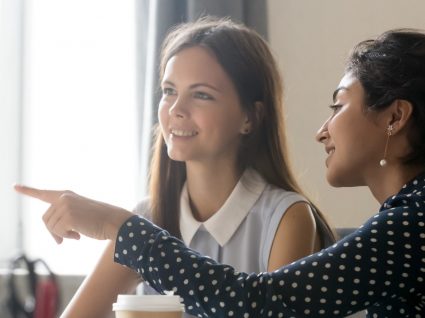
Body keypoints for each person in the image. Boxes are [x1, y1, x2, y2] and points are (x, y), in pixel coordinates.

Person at [15, 27, 425, 317]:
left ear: (396, 117)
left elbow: (261, 306)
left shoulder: (409, 226)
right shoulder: (405, 223)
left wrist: (117, 225)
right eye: (169, 91)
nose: (322, 131)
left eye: (337, 107)